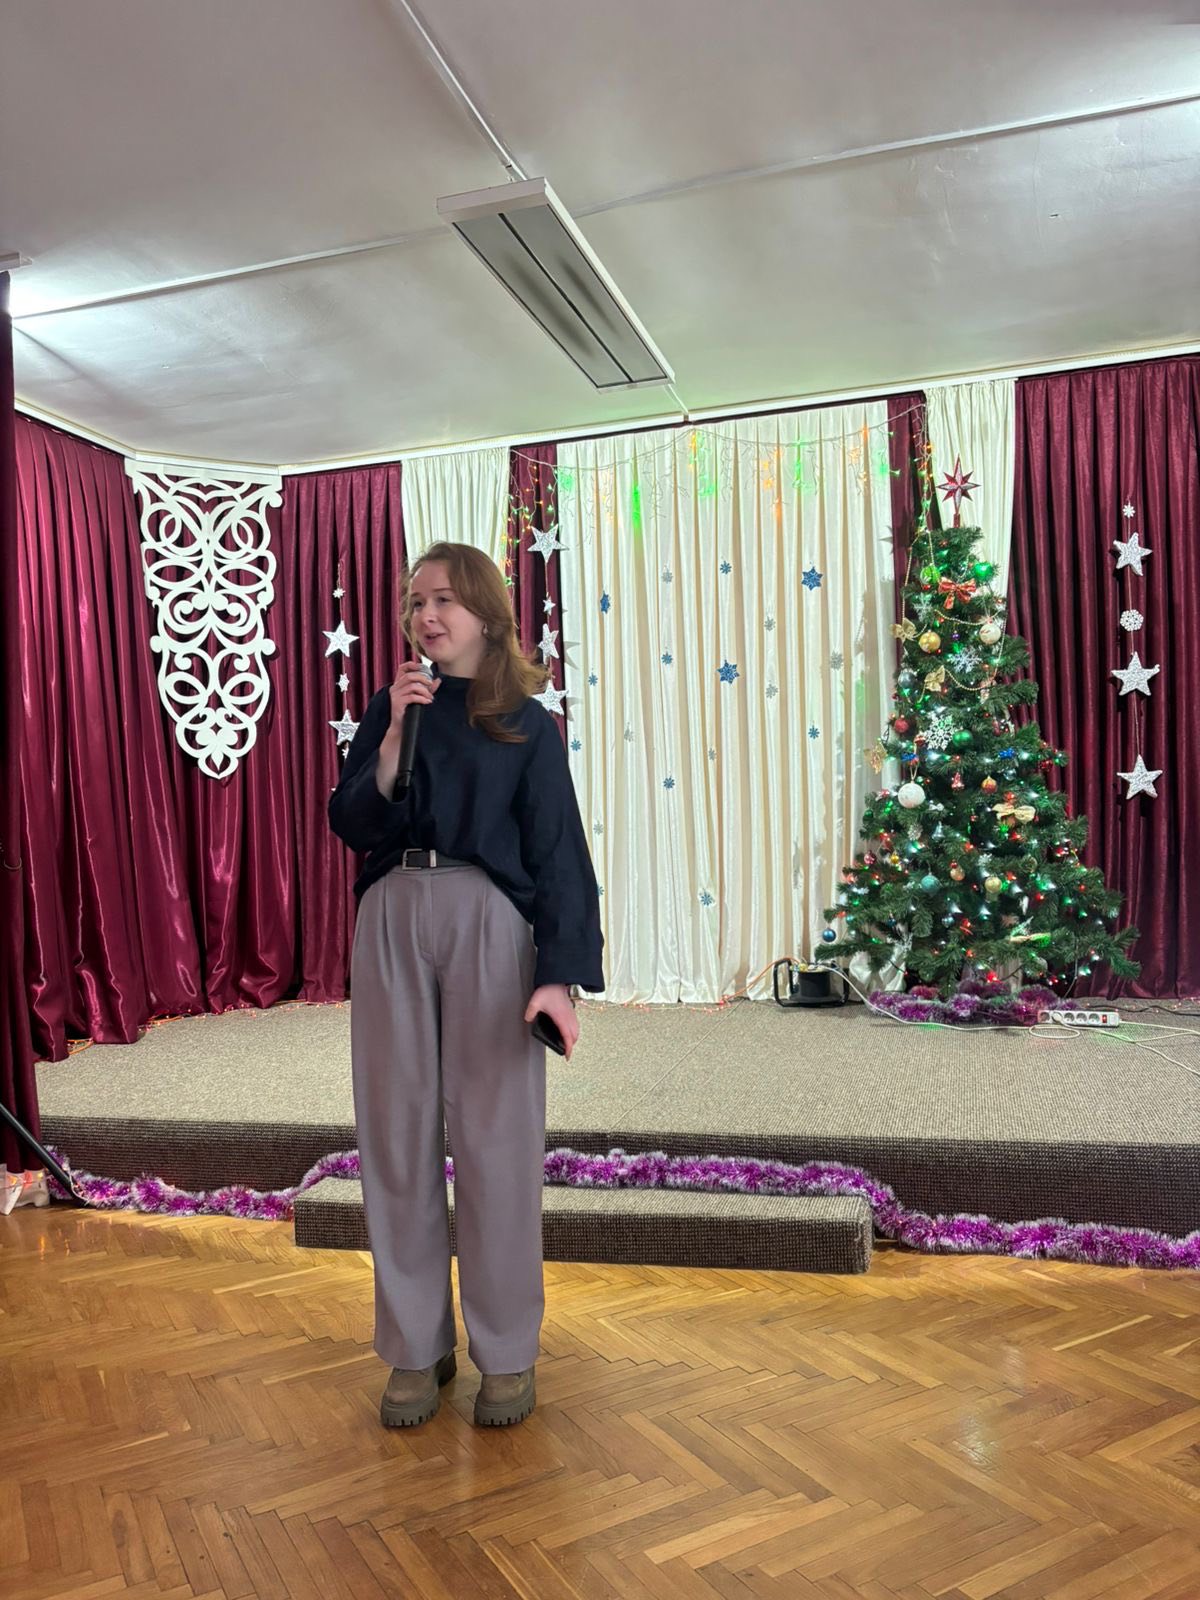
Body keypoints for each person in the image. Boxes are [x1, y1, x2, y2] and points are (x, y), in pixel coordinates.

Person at [328, 541, 603, 1429]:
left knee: (496, 1142)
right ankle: (416, 1347)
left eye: (442, 599)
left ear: (486, 612)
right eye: (415, 602)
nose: (425, 616)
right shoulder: (392, 707)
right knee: (395, 1136)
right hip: (391, 916)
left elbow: (559, 855)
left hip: (489, 923)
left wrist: (558, 977)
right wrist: (391, 740)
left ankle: (507, 1350)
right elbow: (351, 821)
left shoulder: (526, 721)